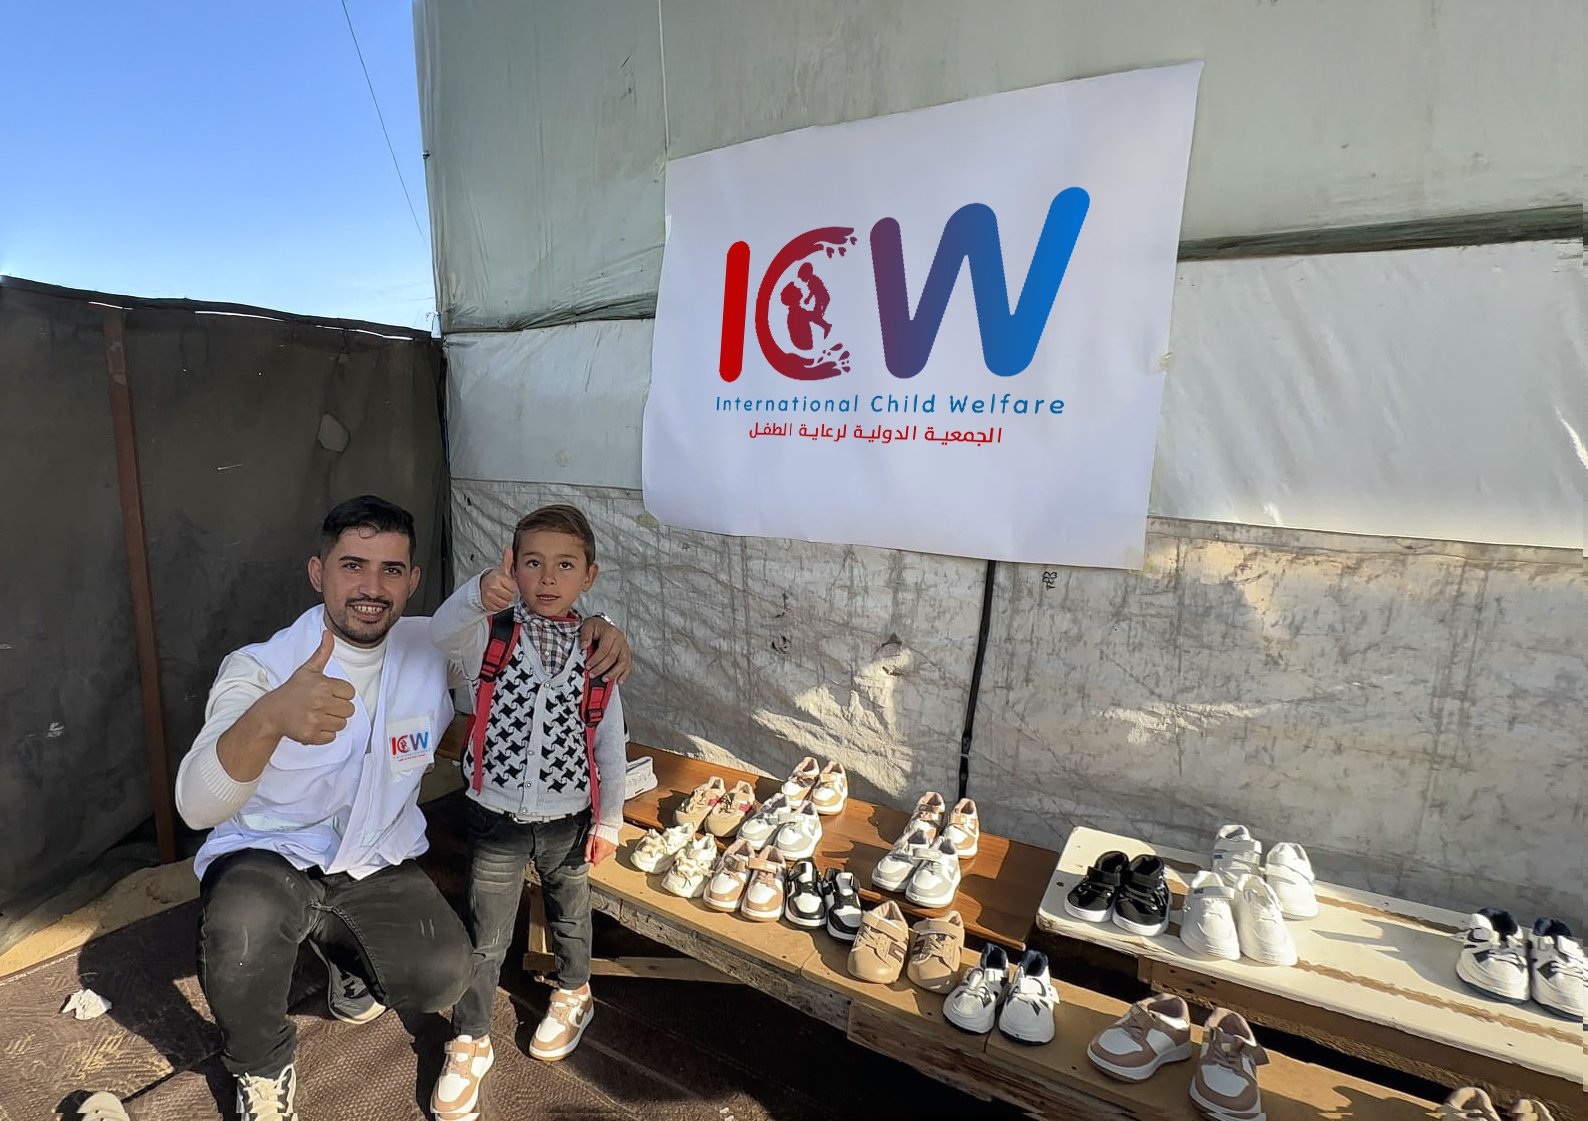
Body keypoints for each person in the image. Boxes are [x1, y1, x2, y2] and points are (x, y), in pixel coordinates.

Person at [174, 496, 631, 1121]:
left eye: (392, 570)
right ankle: (261, 1064)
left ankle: (346, 960)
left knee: (444, 973)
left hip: (371, 859)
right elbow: (196, 805)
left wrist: (599, 626)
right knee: (243, 929)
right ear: (317, 572)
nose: (371, 587)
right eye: (352, 565)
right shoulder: (260, 666)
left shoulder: (434, 645)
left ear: (413, 580)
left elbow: (529, 628)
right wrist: (269, 717)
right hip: (271, 855)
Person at [426, 504, 627, 1121]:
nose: (547, 577)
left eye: (564, 565)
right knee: (485, 934)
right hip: (495, 816)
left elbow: (609, 744)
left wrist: (610, 819)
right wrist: (477, 594)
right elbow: (440, 637)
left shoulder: (597, 653)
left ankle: (574, 992)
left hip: (569, 818)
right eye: (532, 562)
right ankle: (470, 1038)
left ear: (588, 575)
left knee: (570, 913)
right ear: (511, 565)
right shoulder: (492, 633)